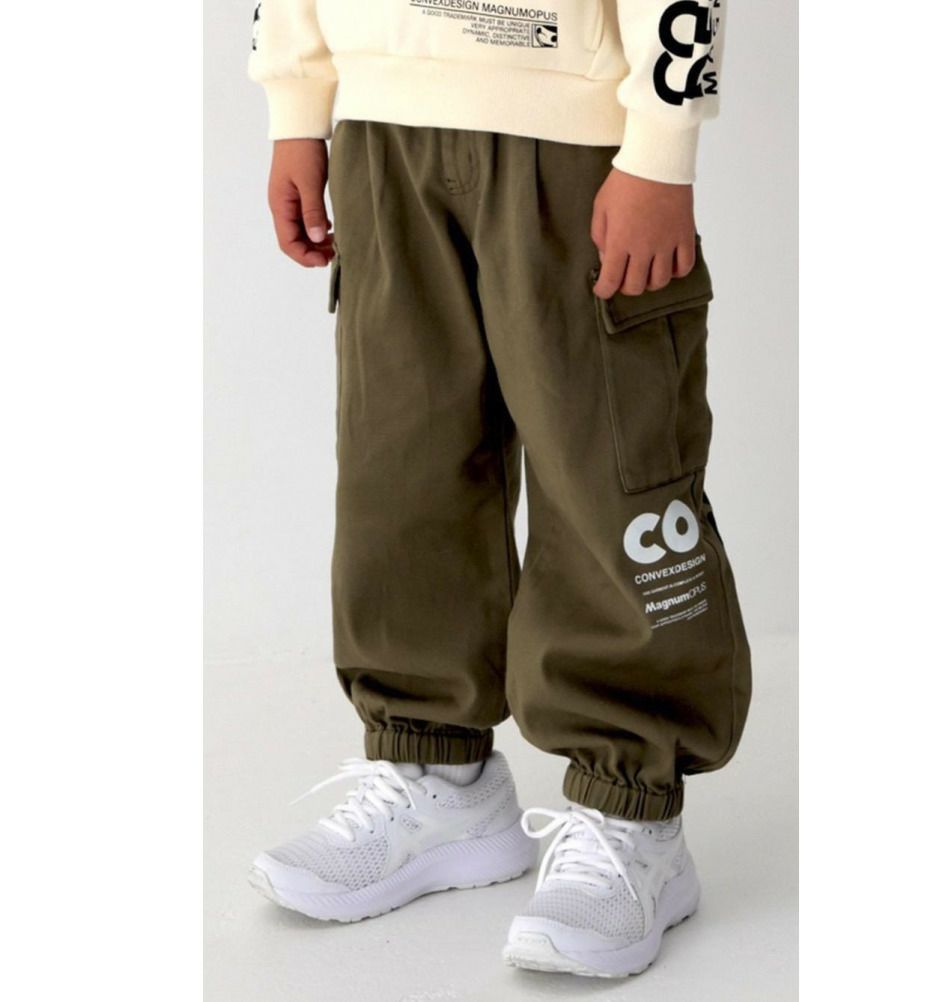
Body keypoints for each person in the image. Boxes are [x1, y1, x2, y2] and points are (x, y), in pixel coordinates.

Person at [247, 0, 751, 979]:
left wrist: (661, 143)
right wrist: (296, 99)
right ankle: (435, 771)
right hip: (382, 117)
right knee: (401, 466)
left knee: (609, 478)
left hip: (575, 126)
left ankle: (633, 814)